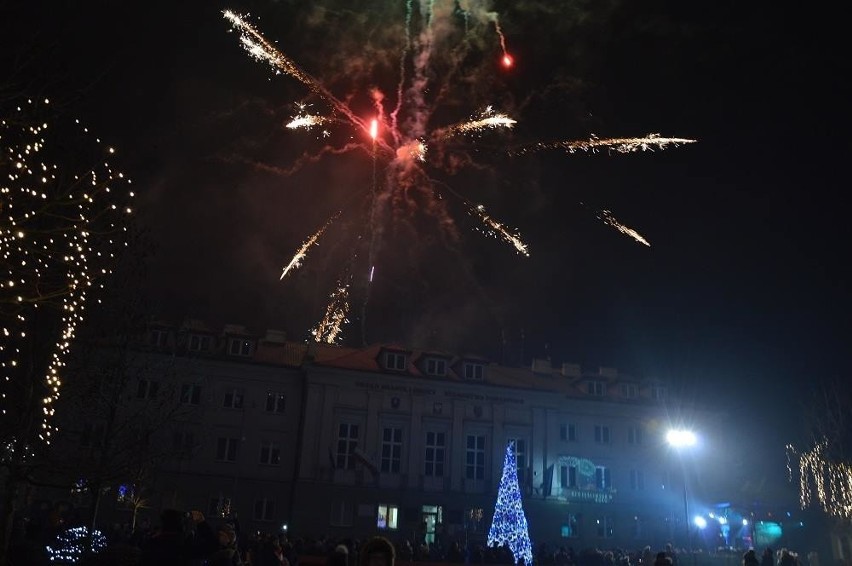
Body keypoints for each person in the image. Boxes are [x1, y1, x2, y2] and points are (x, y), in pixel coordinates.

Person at [141, 509, 216, 565]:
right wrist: (201, 522)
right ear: (181, 526)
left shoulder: (152, 543)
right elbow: (211, 545)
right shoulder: (183, 546)